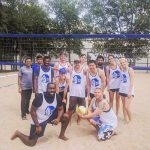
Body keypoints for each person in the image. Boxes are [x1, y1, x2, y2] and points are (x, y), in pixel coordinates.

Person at [119, 58, 134, 123]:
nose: (123, 64)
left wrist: (130, 92)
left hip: (128, 91)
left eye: (124, 62)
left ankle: (130, 120)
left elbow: (132, 82)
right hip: (122, 90)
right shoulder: (122, 69)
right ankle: (125, 118)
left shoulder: (130, 70)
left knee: (126, 106)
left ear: (126, 62)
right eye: (121, 63)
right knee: (123, 105)